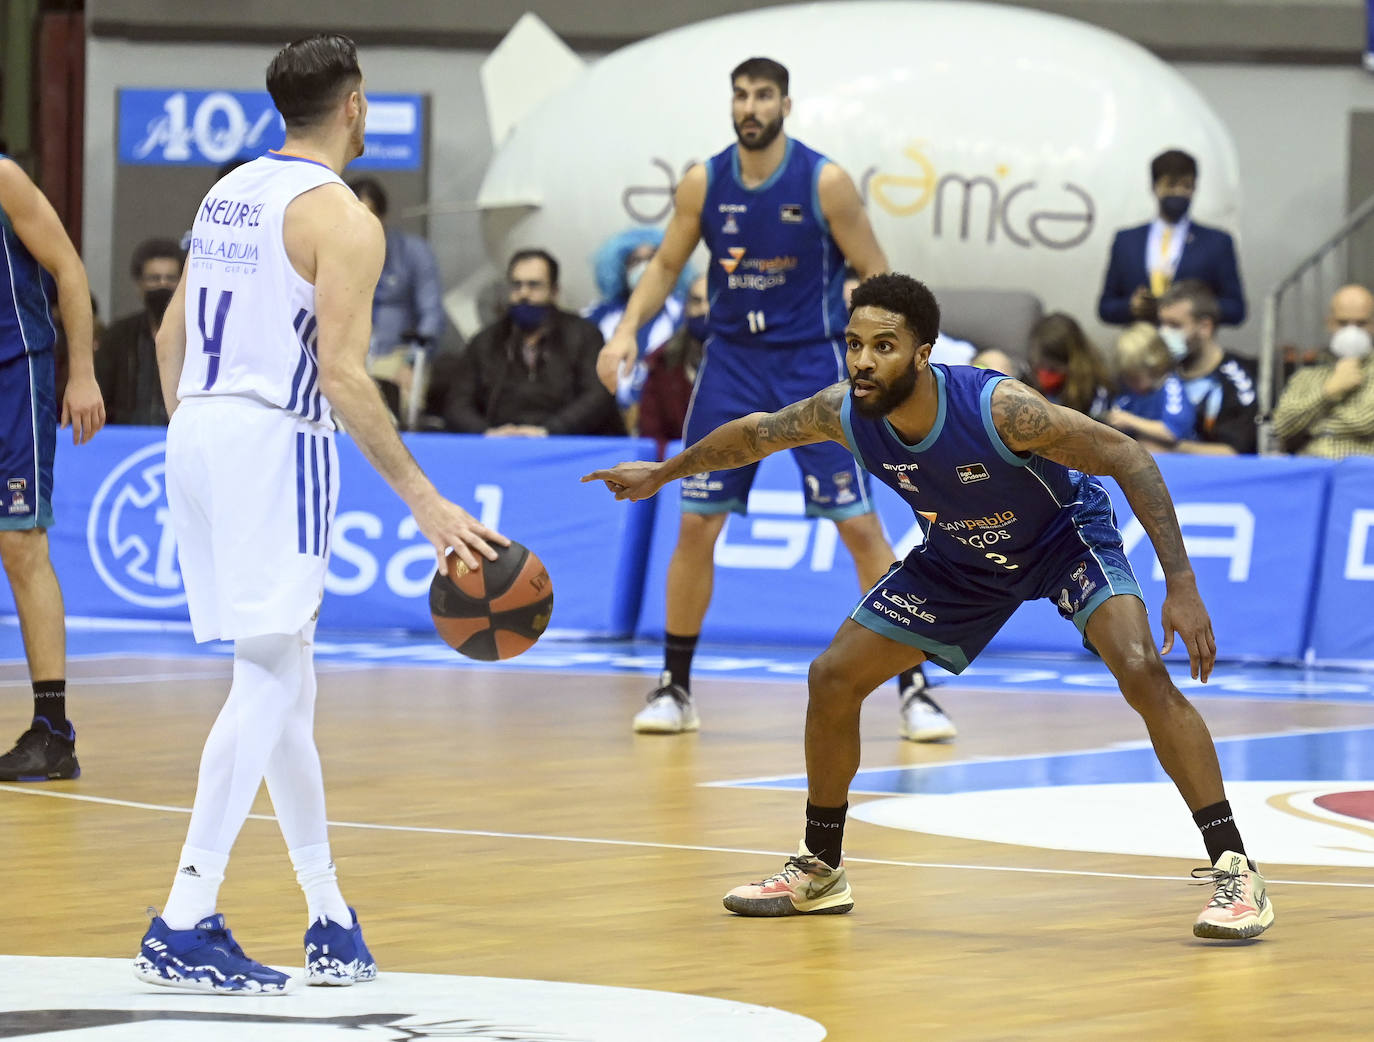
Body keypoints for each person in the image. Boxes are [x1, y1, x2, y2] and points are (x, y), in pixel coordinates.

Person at [584, 272, 1275, 941]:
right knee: (831, 677)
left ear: (922, 353)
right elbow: (758, 433)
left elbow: (1128, 456)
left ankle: (1236, 869)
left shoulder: (1000, 408)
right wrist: (665, 472)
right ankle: (821, 867)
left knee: (1138, 669)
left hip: (1063, 539)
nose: (862, 360)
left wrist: (1180, 584)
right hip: (961, 559)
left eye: (882, 346)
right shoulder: (841, 412)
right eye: (854, 343)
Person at [134, 33, 507, 994]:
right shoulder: (343, 218)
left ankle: (328, 915)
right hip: (273, 440)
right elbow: (342, 374)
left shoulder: (228, 192)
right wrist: (426, 503)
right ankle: (183, 914)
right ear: (356, 105)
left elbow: (170, 334)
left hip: (198, 431)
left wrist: (200, 439)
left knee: (285, 683)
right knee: (266, 680)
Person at [596, 57, 951, 742]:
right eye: (740, 95)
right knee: (696, 525)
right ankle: (675, 685)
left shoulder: (825, 181)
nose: (750, 107)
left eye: (763, 96)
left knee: (858, 527)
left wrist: (879, 354)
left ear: (785, 105)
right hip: (729, 368)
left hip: (811, 367)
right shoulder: (706, 180)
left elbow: (873, 271)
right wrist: (626, 331)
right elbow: (668, 263)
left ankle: (915, 689)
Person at [0, 154, 105, 783]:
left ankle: (52, 730)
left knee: (20, 542)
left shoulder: (4, 179)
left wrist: (83, 372)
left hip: (16, 372)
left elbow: (68, 268)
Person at [442, 248, 622, 437]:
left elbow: (597, 396)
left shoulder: (584, 335)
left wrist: (549, 431)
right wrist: (486, 432)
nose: (524, 293)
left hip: (568, 445)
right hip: (501, 445)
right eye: (516, 285)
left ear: (554, 291)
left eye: (534, 285)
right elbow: (457, 404)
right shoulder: (485, 341)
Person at [1098, 149, 1245, 328]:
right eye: (1171, 184)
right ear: (1155, 186)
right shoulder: (1126, 241)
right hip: (1141, 347)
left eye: (1186, 186)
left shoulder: (1217, 243)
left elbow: (1236, 309)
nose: (1179, 192)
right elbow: (1105, 307)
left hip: (1191, 347)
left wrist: (1194, 308)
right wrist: (1131, 307)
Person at [585, 227, 689, 417]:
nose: (645, 268)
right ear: (620, 269)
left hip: (666, 419)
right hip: (606, 419)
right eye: (635, 261)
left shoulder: (686, 314)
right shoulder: (596, 316)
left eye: (652, 259)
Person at [1272, 284, 1374, 458]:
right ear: (1330, 324)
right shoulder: (1307, 374)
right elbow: (1281, 424)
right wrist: (1328, 392)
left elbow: (1364, 421)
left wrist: (1311, 427)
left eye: (1361, 323)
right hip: (1308, 472)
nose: (1352, 331)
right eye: (1343, 323)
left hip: (1362, 475)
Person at [1156, 280, 1258, 454]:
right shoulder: (1157, 371)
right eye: (1162, 324)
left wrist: (1167, 448)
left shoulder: (1237, 380)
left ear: (1205, 327)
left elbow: (1231, 453)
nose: (1164, 334)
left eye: (1174, 325)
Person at [95, 237, 183, 426]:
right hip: (128, 445)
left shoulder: (196, 338)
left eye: (170, 279)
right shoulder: (118, 337)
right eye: (154, 279)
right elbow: (101, 395)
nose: (162, 285)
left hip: (179, 438)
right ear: (139, 285)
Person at [639, 273, 707, 459]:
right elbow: (651, 432)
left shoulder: (754, 359)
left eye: (712, 301)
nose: (704, 309)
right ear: (686, 307)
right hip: (677, 468)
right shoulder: (663, 361)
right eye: (696, 301)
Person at [1103, 323, 1195, 452]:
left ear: (1156, 368)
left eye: (1134, 378)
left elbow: (1173, 431)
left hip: (1174, 457)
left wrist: (1130, 421)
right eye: (1126, 377)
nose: (1129, 383)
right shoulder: (1126, 389)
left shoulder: (1171, 387)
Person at [1027, 312, 1113, 419]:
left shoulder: (1096, 391)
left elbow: (1096, 428)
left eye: (1053, 369)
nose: (1045, 374)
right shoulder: (1027, 381)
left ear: (1072, 363)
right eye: (1039, 366)